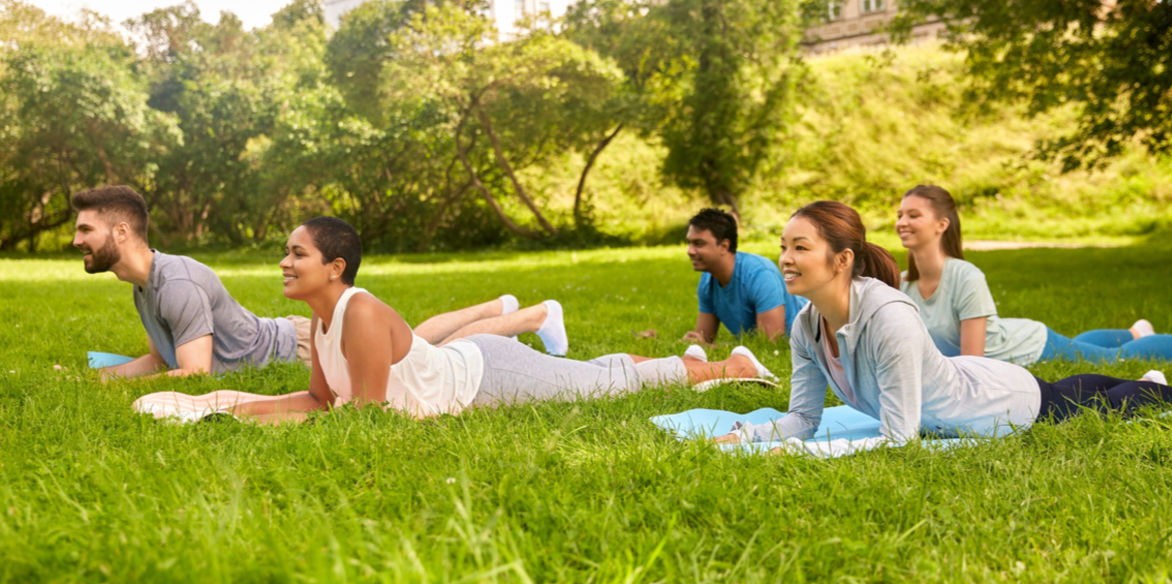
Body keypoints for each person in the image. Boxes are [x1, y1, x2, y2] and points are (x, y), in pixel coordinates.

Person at [134, 217, 774, 423]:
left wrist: (231, 410)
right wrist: (221, 407)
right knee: (593, 373)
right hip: (479, 369)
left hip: (486, 377)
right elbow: (319, 401)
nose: (283, 262)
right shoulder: (322, 325)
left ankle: (728, 365)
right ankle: (687, 361)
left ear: (334, 267)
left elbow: (364, 420)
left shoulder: (359, 313)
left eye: (296, 254)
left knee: (609, 386)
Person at [712, 201, 1172, 454]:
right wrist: (747, 435)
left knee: (1091, 405)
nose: (785, 258)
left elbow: (899, 437)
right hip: (973, 381)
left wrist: (802, 453)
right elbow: (804, 417)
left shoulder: (888, 317)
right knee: (1075, 388)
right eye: (783, 246)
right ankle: (1150, 381)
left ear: (842, 260)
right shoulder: (807, 326)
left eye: (800, 247)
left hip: (997, 405)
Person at [70, 185, 569, 379]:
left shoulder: (176, 282)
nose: (76, 240)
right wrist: (94, 380)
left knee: (425, 354)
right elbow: (165, 358)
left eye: (85, 230)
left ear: (122, 232)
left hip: (299, 347)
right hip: (292, 335)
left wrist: (143, 396)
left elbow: (195, 373)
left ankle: (535, 316)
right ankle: (500, 307)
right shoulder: (146, 286)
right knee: (417, 339)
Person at [895, 184, 1172, 365]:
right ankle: (1134, 332)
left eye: (913, 215)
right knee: (1079, 346)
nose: (902, 222)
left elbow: (972, 362)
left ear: (941, 224)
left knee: (1112, 360)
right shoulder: (903, 284)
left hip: (1030, 346)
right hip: (1013, 336)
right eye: (899, 215)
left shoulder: (965, 277)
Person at [683, 208, 807, 344]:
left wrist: (711, 347)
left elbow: (770, 343)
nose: (690, 251)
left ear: (724, 246)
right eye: (689, 243)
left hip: (813, 330)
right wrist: (695, 343)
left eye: (698, 244)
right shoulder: (708, 280)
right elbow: (704, 339)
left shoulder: (761, 275)